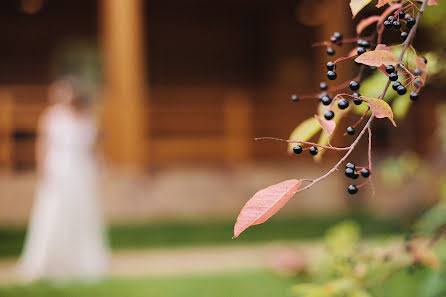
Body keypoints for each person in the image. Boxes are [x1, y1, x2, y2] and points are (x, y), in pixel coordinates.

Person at [18, 76, 108, 282]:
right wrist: (43, 169)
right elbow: (43, 144)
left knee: (82, 213)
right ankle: (53, 260)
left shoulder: (89, 118)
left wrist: (101, 169)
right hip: (58, 169)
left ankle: (83, 260)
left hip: (82, 171)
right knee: (54, 213)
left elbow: (95, 149)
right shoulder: (51, 117)